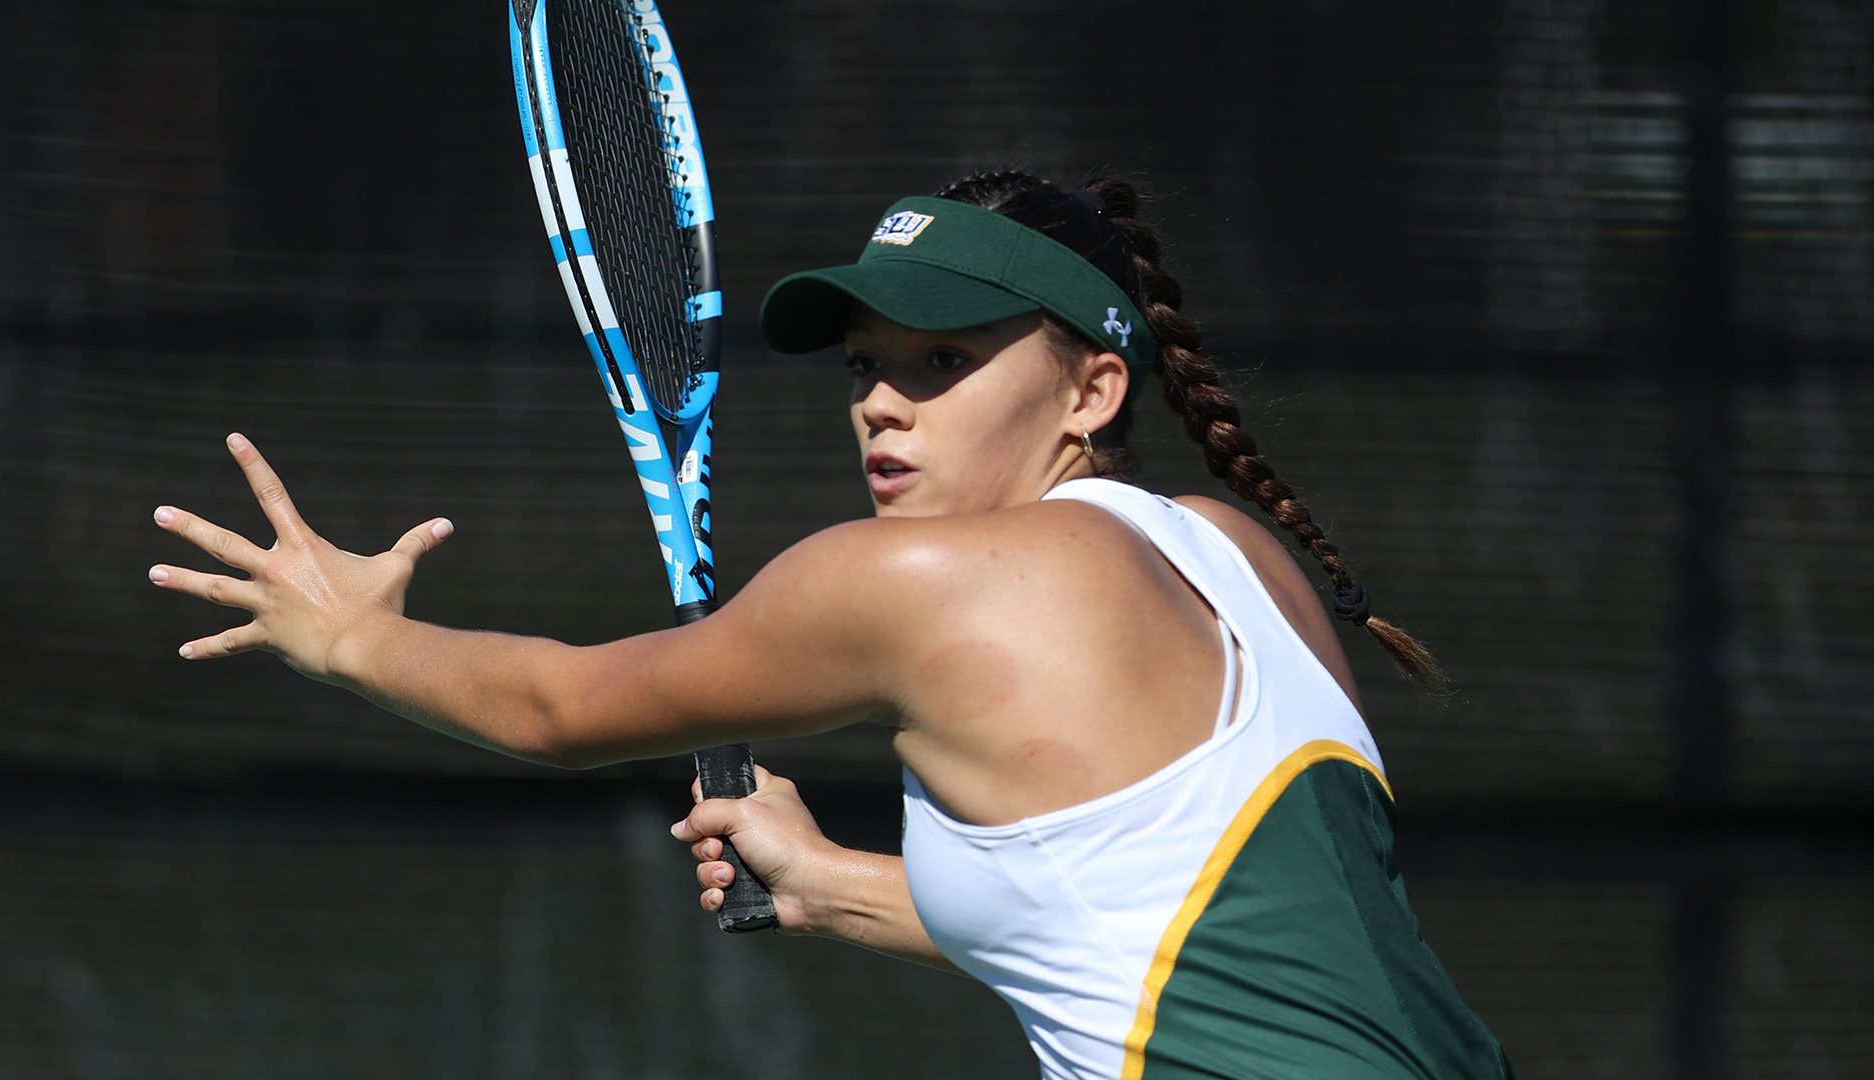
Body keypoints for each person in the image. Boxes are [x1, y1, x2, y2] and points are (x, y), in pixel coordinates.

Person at [151, 170, 1512, 1079]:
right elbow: (1168, 916)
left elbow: (557, 711)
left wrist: (350, 637)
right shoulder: (1235, 553)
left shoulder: (907, 580)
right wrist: (832, 883)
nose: (881, 404)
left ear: (1095, 389)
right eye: (869, 368)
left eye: (942, 362)